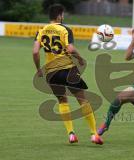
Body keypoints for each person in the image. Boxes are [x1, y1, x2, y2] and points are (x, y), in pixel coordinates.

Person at [32, 4, 103, 145]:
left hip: (51, 73)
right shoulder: (65, 29)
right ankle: (94, 134)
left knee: (62, 101)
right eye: (62, 15)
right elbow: (70, 49)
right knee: (83, 100)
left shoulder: (41, 31)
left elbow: (35, 52)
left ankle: (71, 134)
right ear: (59, 15)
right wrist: (80, 58)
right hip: (68, 70)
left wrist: (38, 69)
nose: (63, 17)